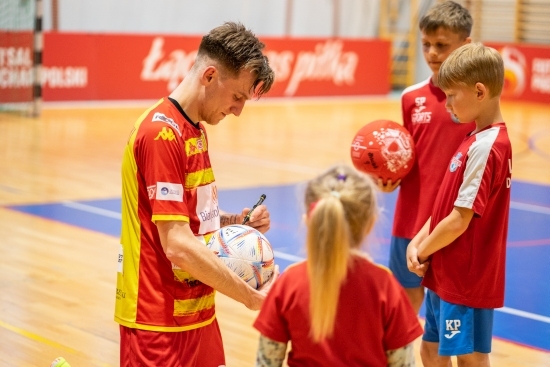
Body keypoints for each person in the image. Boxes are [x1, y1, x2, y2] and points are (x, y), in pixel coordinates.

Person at [114, 22, 276, 367]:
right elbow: (177, 245)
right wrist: (251, 297)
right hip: (156, 325)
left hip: (198, 314)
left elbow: (189, 219)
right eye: (237, 97)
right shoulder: (161, 134)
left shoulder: (195, 130)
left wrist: (236, 224)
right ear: (210, 75)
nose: (238, 110)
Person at [253, 165, 423, 367]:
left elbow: (266, 363)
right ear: (371, 223)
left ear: (308, 221)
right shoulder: (385, 286)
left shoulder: (289, 282)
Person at [407, 43, 511, 366]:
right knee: (430, 351)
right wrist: (419, 239)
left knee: (469, 358)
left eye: (453, 95)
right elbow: (447, 202)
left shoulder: (487, 147)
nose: (447, 103)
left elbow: (459, 219)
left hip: (463, 280)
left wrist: (424, 251)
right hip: (446, 273)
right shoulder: (473, 137)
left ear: (480, 92)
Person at [380, 0, 475, 313]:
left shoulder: (476, 103)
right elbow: (406, 158)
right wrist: (388, 177)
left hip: (450, 227)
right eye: (426, 45)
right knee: (403, 313)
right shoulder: (411, 97)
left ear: (466, 45)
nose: (432, 53)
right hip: (407, 222)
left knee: (442, 324)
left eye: (442, 45)